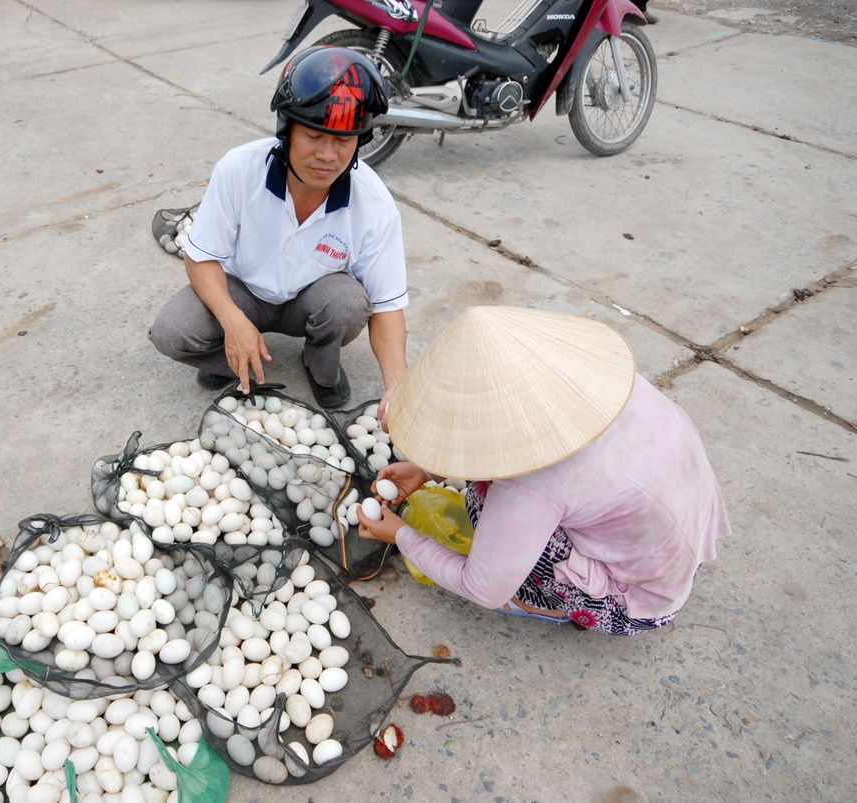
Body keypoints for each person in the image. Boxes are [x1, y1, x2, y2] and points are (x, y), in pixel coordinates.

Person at [356, 306, 730, 635]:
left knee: (481, 502)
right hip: (676, 550)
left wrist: (401, 535)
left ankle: (544, 604)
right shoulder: (600, 384)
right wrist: (426, 471)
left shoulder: (532, 487)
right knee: (497, 498)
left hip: (641, 601)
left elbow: (482, 588)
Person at [148, 46, 409, 412]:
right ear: (287, 129)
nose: (327, 155)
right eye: (315, 136)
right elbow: (200, 257)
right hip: (244, 291)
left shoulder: (374, 204)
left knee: (349, 303)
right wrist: (232, 320)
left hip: (311, 299)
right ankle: (234, 359)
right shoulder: (239, 169)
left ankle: (319, 366)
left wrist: (398, 386)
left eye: (343, 141)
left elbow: (387, 306)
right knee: (172, 331)